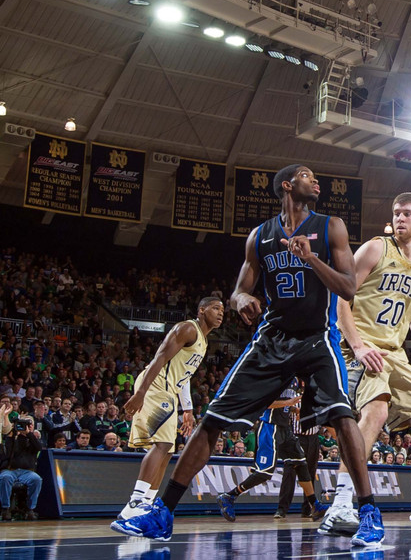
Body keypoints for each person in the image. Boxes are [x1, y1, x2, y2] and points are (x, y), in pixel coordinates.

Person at [116, 165, 384, 546]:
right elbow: (239, 289)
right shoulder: (260, 236)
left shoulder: (331, 227)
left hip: (316, 337)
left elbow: (349, 288)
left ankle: (369, 511)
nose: (317, 181)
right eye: (308, 176)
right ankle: (163, 513)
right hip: (271, 337)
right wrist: (243, 299)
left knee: (342, 417)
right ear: (288, 186)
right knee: (212, 421)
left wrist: (312, 259)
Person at [319, 192, 411, 536]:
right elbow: (341, 298)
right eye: (396, 213)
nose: (400, 219)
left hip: (395, 353)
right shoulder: (375, 248)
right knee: (376, 413)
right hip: (361, 346)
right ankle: (340, 505)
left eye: (407, 214)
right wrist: (358, 345)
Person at [110, 296, 223, 533]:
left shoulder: (203, 340)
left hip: (169, 390)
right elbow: (160, 356)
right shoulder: (187, 328)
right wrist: (141, 392)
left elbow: (183, 377)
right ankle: (136, 501)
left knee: (168, 449)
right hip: (155, 385)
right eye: (215, 308)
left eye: (223, 310)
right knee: (161, 445)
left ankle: (147, 502)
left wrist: (188, 410)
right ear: (201, 310)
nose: (221, 313)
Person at [216, 382, 327, 521]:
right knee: (264, 473)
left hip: (285, 429)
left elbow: (284, 405)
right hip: (269, 427)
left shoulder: (294, 380)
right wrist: (289, 402)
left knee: (300, 463)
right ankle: (229, 496)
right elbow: (263, 404)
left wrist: (294, 409)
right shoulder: (276, 378)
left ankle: (314, 504)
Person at [0, 413, 42, 520]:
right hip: (11, 470)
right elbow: (9, 453)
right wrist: (15, 435)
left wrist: (29, 434)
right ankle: (5, 508)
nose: (26, 426)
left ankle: (30, 509)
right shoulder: (14, 438)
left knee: (36, 479)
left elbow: (38, 447)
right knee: (5, 478)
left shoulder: (33, 439)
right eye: (23, 424)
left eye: (29, 424)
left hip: (27, 472)